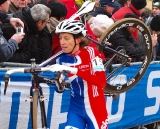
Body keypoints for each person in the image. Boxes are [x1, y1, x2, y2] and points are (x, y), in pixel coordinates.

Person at [50, 19, 108, 129]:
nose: (62, 42)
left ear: (78, 39)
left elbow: (101, 82)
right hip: (75, 109)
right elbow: (59, 90)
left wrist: (73, 70)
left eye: (66, 38)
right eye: (61, 38)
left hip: (96, 109)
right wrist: (59, 82)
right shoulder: (60, 58)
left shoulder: (92, 52)